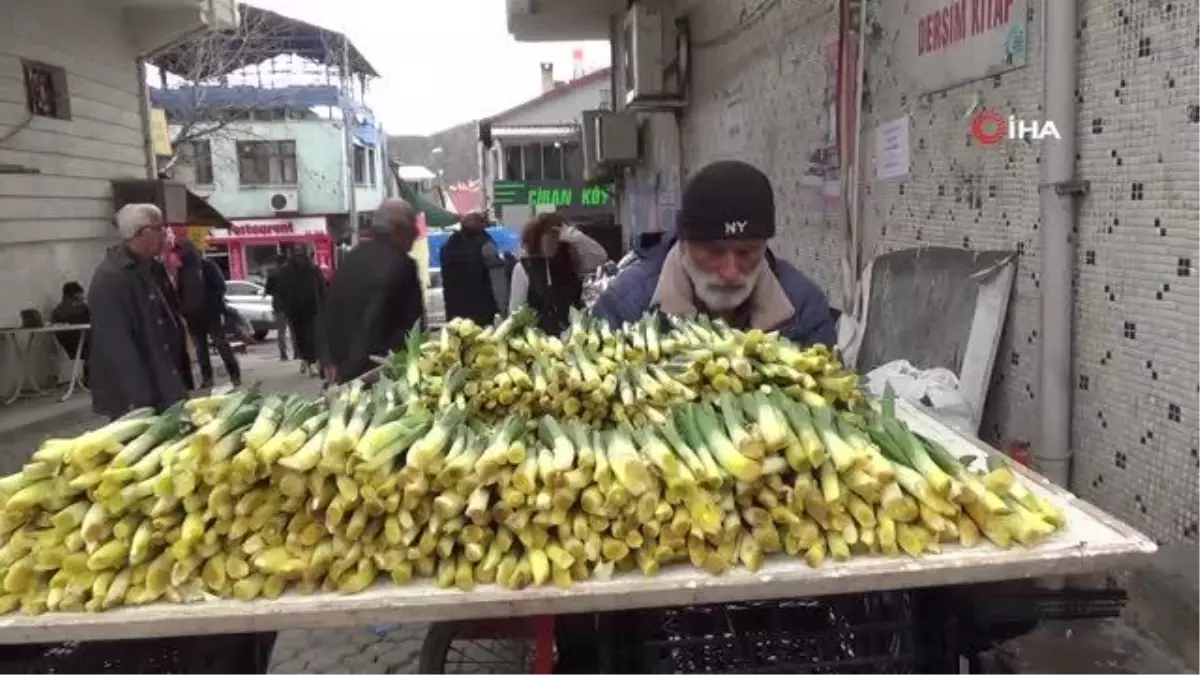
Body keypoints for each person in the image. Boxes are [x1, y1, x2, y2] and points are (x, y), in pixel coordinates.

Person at [593, 160, 837, 347]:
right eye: (714, 252)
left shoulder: (803, 306)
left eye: (747, 252)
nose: (731, 272)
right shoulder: (625, 306)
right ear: (684, 243)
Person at [86, 204, 187, 418]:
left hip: (166, 385)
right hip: (138, 397)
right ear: (140, 233)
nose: (165, 233)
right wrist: (140, 400)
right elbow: (116, 345)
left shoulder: (153, 268)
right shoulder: (111, 278)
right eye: (160, 227)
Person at [322, 199, 424, 383]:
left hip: (346, 370)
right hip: (382, 373)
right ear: (398, 228)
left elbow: (329, 313)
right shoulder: (402, 265)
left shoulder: (351, 260)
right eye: (413, 225)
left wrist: (333, 363)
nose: (417, 233)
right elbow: (412, 330)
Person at [507, 212, 609, 335]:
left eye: (557, 237)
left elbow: (600, 256)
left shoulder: (570, 264)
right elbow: (515, 310)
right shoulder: (524, 268)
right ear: (537, 238)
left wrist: (572, 235)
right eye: (549, 237)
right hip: (540, 342)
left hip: (573, 338)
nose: (553, 242)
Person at [176, 239, 241, 389]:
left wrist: (212, 304)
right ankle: (210, 379)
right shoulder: (184, 270)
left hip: (208, 314)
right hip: (196, 316)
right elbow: (180, 292)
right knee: (203, 349)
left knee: (218, 346)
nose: (183, 254)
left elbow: (220, 287)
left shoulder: (206, 266)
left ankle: (232, 375)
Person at [439, 211, 507, 326]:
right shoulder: (486, 246)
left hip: (454, 313)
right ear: (480, 225)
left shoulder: (447, 247)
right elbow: (497, 280)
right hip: (482, 314)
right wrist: (503, 308)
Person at [276, 247, 327, 377]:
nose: (299, 258)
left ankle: (312, 362)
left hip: (312, 310)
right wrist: (283, 306)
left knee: (312, 338)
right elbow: (281, 291)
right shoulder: (287, 271)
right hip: (295, 312)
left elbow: (322, 288)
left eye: (301, 256)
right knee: (300, 338)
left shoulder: (313, 270)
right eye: (297, 256)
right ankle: (306, 360)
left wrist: (326, 304)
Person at [49, 281, 91, 386]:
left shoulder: (80, 308)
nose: (81, 300)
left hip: (81, 342)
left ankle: (90, 379)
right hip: (75, 344)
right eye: (78, 298)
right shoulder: (61, 311)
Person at [264, 254, 290, 361]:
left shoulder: (272, 274)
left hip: (278, 304)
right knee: (295, 330)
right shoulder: (290, 273)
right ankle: (298, 353)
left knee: (281, 331)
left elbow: (268, 290)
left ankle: (283, 354)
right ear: (285, 262)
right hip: (291, 303)